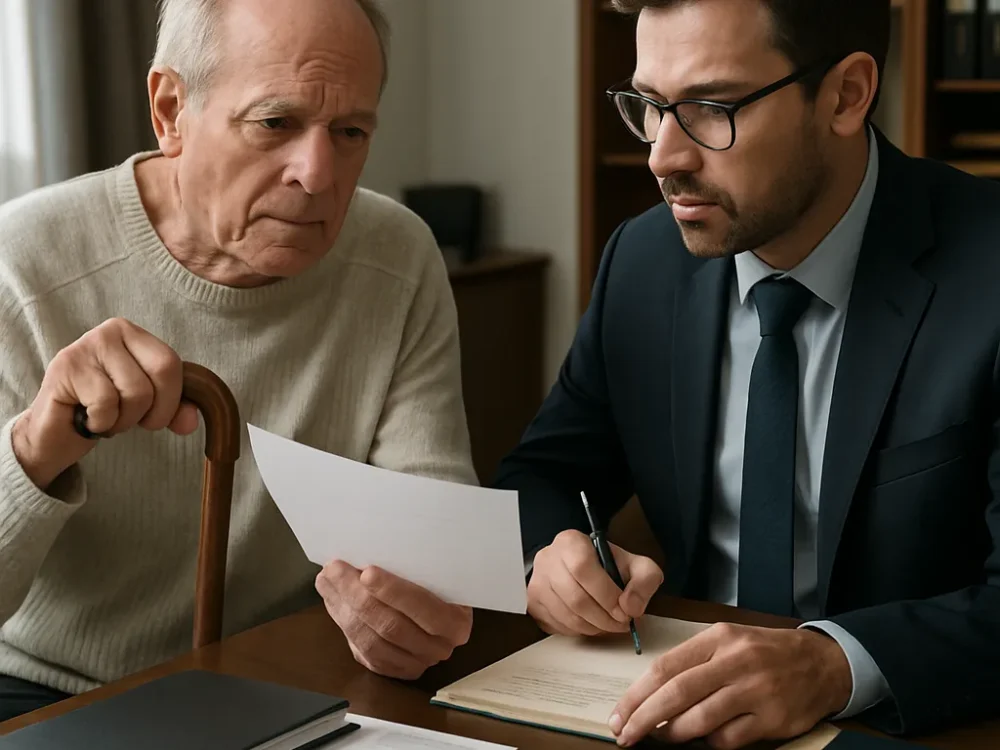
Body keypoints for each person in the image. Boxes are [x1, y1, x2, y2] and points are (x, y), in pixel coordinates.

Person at [496, 0, 1000, 748]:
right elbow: (539, 474)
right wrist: (552, 554)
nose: (663, 157)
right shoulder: (642, 262)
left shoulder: (987, 270)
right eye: (649, 107)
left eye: (709, 107)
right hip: (673, 716)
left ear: (846, 95)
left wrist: (834, 664)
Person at [0, 0, 477, 723]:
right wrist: (38, 447)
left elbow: (431, 533)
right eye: (274, 123)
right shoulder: (25, 263)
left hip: (292, 675)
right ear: (170, 112)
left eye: (349, 132)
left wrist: (413, 614)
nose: (317, 175)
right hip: (55, 688)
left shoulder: (399, 258)